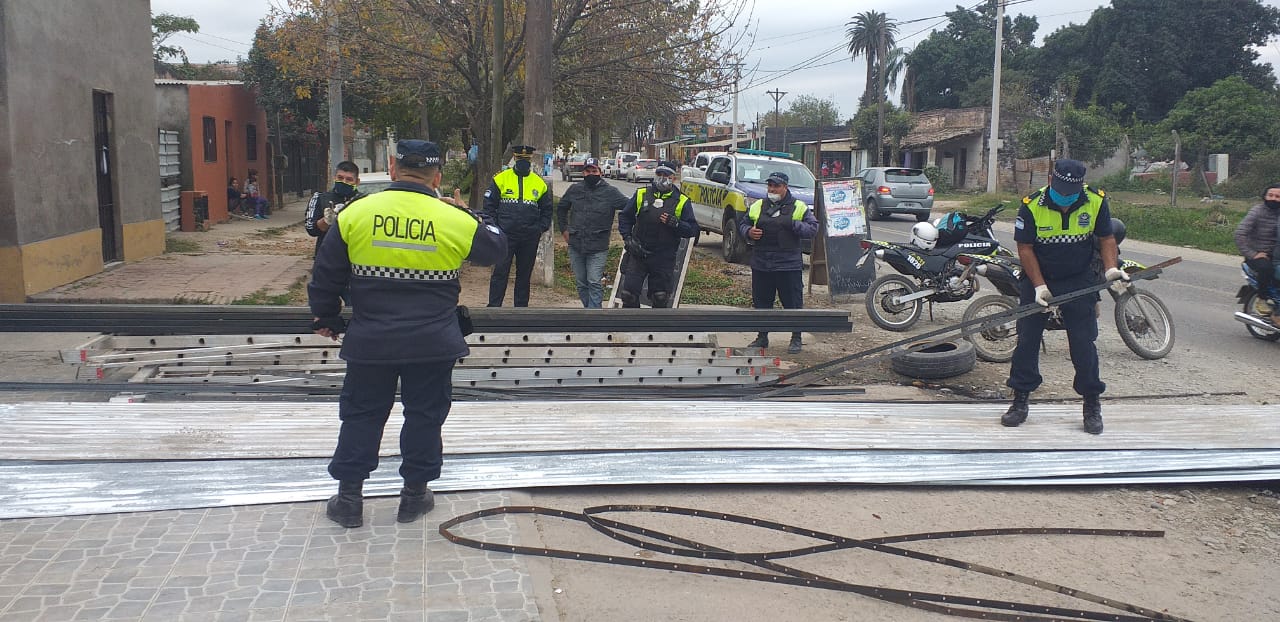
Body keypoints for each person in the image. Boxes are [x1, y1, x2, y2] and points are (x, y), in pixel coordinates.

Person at [308, 139, 507, 528]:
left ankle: (349, 499)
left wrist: (326, 317)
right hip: (432, 341)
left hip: (371, 340)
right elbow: (496, 249)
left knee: (362, 415)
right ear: (437, 177)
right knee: (424, 416)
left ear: (393, 168)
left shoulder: (356, 214)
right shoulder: (452, 219)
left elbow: (325, 275)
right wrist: (469, 212)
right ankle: (414, 496)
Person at [1002, 158, 1128, 435]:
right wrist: (1039, 287)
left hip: (1078, 278)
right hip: (1039, 276)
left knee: (1084, 343)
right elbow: (1025, 248)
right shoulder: (1031, 205)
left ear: (1081, 186)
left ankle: (1091, 403)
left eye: (1071, 193)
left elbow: (1106, 238)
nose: (1065, 198)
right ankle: (1020, 400)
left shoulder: (1095, 201)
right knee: (1027, 340)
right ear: (1051, 181)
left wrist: (1110, 269)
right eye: (1060, 191)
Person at [740, 172, 820, 353]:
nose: (772, 189)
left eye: (776, 186)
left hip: (788, 265)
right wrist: (748, 232)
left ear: (785, 187)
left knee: (793, 304)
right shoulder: (758, 205)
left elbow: (813, 229)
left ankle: (796, 338)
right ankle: (762, 337)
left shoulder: (798, 206)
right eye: (770, 185)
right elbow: (743, 224)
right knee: (762, 304)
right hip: (762, 263)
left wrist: (793, 224)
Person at [617, 161, 699, 308]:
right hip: (638, 253)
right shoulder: (642, 194)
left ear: (674, 178)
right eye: (659, 174)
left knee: (660, 297)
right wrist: (628, 238)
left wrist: (676, 223)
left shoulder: (682, 200)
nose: (662, 178)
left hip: (663, 257)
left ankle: (656, 323)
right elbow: (625, 217)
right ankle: (632, 322)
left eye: (666, 175)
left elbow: (693, 230)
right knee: (628, 295)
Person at [485, 145, 553, 307]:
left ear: (530, 160)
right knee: (500, 272)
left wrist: (540, 228)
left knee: (524, 275)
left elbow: (547, 209)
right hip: (505, 235)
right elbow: (489, 205)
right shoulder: (501, 178)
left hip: (529, 237)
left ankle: (521, 309)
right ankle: (494, 308)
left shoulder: (539, 183)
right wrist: (495, 227)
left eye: (526, 160)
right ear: (515, 159)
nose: (523, 162)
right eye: (520, 159)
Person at [556, 157, 627, 308]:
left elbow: (629, 207)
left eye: (594, 171)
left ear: (600, 172)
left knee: (594, 281)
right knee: (581, 282)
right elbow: (561, 208)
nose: (591, 174)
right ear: (583, 173)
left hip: (598, 246)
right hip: (576, 244)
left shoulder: (610, 192)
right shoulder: (575, 189)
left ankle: (595, 315)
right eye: (588, 171)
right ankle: (588, 311)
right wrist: (564, 229)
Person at [1233, 183, 1280, 325]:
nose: (1274, 198)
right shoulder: (1257, 211)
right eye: (1270, 195)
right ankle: (1262, 298)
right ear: (1264, 196)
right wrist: (1252, 254)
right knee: (1267, 269)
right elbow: (1240, 234)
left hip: (1276, 255)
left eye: (1277, 196)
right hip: (1259, 255)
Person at [305, 161, 363, 257]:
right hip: (327, 256)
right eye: (340, 178)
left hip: (356, 255)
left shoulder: (364, 201)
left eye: (349, 179)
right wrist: (327, 220)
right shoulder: (320, 198)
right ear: (334, 177)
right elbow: (311, 229)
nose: (344, 182)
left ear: (357, 182)